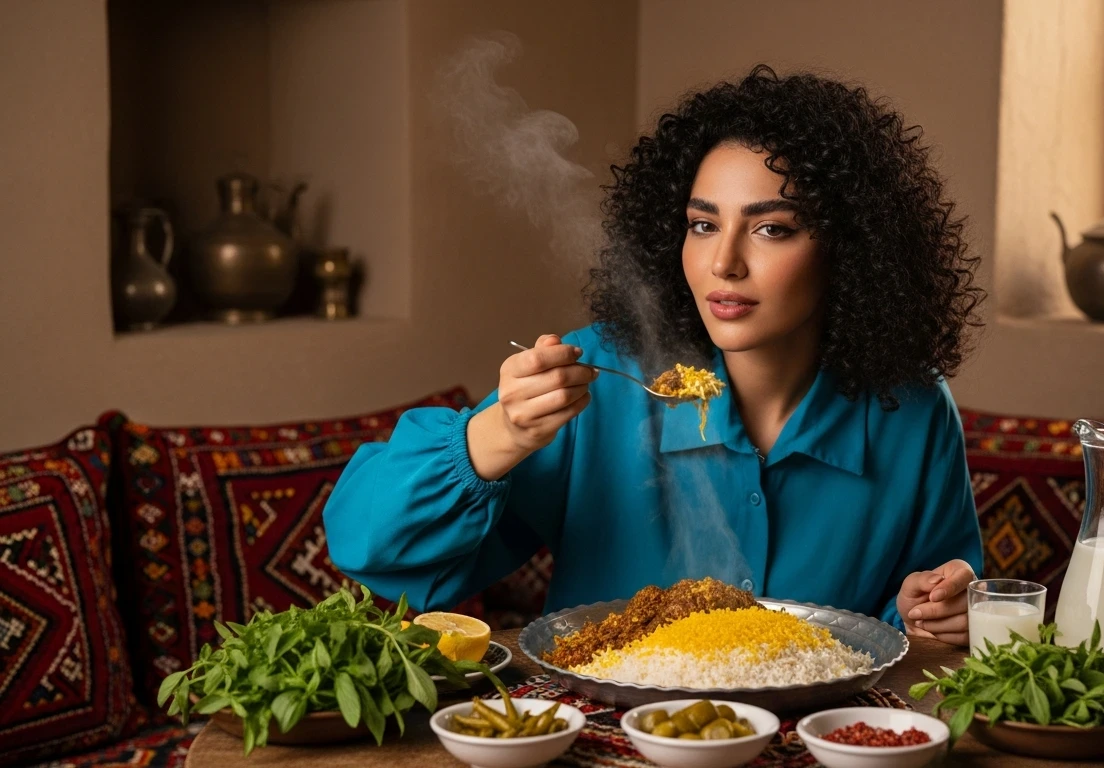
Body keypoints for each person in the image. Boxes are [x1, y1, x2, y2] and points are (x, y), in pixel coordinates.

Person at [325, 65, 985, 643]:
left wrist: (931, 613)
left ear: (850, 247)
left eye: (771, 229)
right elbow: (370, 547)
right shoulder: (595, 378)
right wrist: (496, 434)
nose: (722, 262)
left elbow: (915, 627)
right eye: (702, 225)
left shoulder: (912, 409)